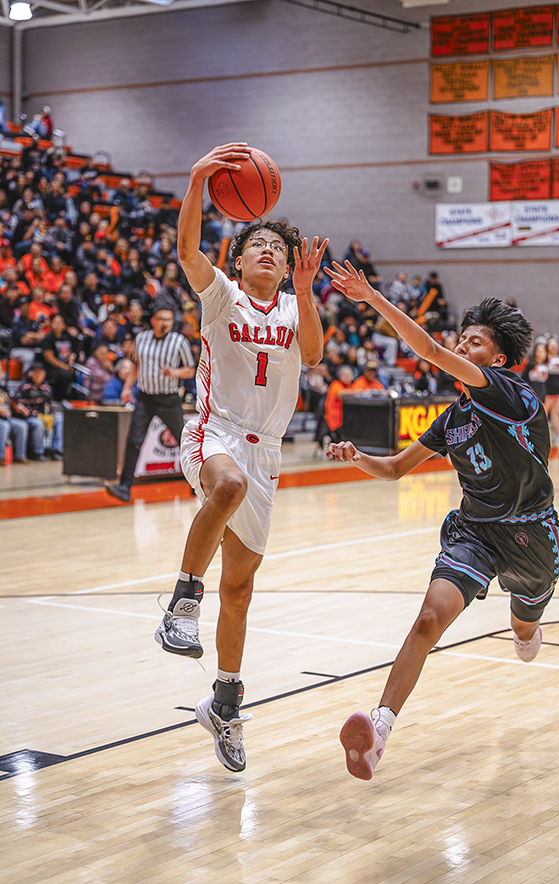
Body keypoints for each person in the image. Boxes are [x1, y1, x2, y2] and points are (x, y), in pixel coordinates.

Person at [324, 259, 559, 781]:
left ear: (497, 357)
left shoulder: (510, 393)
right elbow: (394, 469)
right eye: (461, 339)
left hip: (531, 534)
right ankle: (379, 731)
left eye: (473, 341)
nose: (461, 346)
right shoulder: (454, 417)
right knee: (429, 618)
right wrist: (356, 456)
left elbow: (426, 350)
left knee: (525, 625)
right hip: (475, 531)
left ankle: (525, 627)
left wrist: (373, 299)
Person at [155, 142, 326, 774]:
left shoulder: (291, 304)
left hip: (269, 452)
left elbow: (311, 356)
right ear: (239, 255)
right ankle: (180, 602)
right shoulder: (221, 295)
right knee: (222, 489)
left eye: (278, 248)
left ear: (286, 268)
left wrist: (307, 293)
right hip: (215, 431)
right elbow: (185, 252)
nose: (269, 250)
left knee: (243, 587)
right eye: (257, 242)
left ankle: (225, 699)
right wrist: (199, 178)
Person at [104, 305, 195, 502]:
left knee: (184, 442)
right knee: (134, 441)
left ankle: (197, 483)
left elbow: (190, 370)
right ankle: (125, 488)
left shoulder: (179, 342)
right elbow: (135, 365)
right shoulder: (141, 339)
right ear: (153, 320)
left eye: (169, 320)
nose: (165, 323)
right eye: (161, 319)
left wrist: (175, 373)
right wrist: (127, 388)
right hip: (145, 397)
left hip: (169, 399)